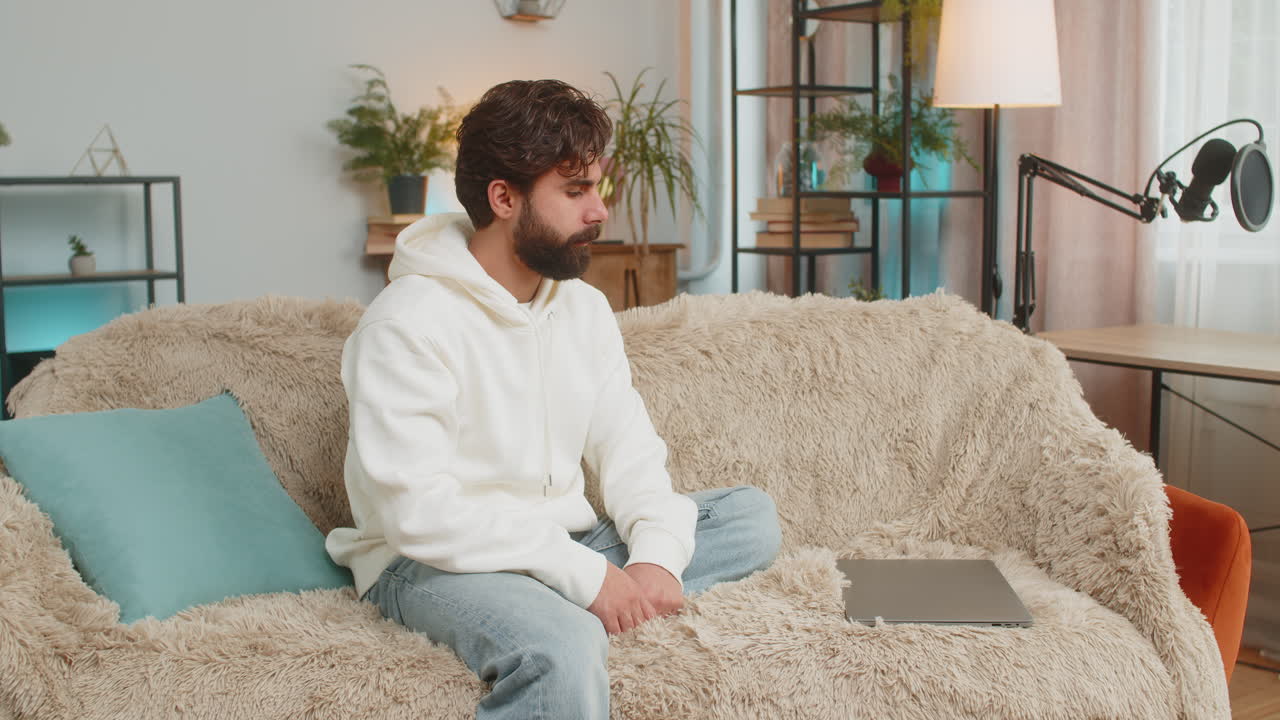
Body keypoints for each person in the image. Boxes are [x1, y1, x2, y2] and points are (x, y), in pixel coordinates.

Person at [326, 78, 781, 719]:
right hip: (430, 563)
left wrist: (655, 562)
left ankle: (563, 595)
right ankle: (557, 611)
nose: (599, 211)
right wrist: (589, 579)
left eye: (597, 187)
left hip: (561, 545)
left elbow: (630, 453)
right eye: (575, 191)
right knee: (563, 647)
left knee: (749, 516)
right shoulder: (405, 323)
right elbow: (417, 514)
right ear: (503, 197)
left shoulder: (583, 309)